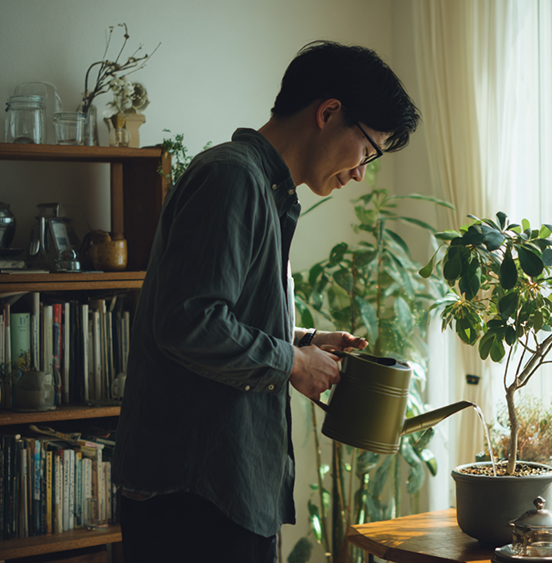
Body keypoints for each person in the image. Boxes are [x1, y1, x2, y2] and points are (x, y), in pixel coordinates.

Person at [111, 40, 420, 562]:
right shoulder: (233, 179)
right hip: (194, 499)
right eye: (367, 150)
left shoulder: (266, 190)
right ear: (328, 113)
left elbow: (222, 312)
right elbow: (187, 322)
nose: (362, 171)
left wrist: (304, 341)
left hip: (219, 492)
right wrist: (293, 362)